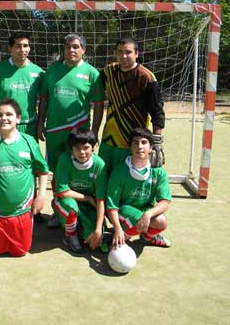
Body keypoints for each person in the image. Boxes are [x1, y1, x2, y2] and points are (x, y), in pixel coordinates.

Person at [37, 33, 105, 227]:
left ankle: (82, 208)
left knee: (78, 169)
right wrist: (41, 122)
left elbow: (99, 104)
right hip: (54, 131)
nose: (71, 50)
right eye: (68, 46)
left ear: (83, 50)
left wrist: (94, 131)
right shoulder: (52, 70)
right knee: (57, 171)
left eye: (76, 47)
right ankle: (60, 210)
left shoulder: (92, 73)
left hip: (78, 132)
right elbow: (44, 98)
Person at [0, 98, 49, 257]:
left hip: (22, 210)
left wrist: (41, 196)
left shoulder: (29, 142)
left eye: (9, 114)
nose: (4, 118)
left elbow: (42, 170)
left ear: (18, 118)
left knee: (20, 252)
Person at [99, 37, 165, 174]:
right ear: (115, 53)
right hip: (108, 140)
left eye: (128, 52)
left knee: (126, 183)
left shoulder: (146, 77)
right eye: (120, 52)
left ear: (136, 53)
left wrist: (157, 141)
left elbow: (157, 111)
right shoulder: (109, 71)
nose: (123, 56)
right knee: (102, 179)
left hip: (132, 143)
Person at [106, 127, 172, 249]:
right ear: (130, 148)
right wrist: (118, 228)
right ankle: (120, 237)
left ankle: (147, 238)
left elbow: (165, 201)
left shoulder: (158, 172)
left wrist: (149, 213)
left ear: (151, 148)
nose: (139, 146)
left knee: (161, 221)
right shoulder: (119, 172)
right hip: (123, 210)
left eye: (144, 142)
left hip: (145, 210)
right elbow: (112, 206)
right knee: (137, 221)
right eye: (135, 143)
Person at [53, 128, 107, 253]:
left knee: (95, 240)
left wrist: (98, 230)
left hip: (88, 205)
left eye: (86, 147)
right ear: (71, 149)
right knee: (71, 208)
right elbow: (63, 192)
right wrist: (87, 198)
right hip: (67, 201)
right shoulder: (64, 159)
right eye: (77, 148)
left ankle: (80, 227)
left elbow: (100, 200)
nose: (82, 152)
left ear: (93, 148)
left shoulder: (99, 165)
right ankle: (70, 236)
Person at [0, 32, 44, 138]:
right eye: (18, 46)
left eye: (25, 46)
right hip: (4, 125)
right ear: (10, 48)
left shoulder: (38, 73)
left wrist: (40, 124)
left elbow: (45, 100)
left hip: (29, 126)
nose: (22, 50)